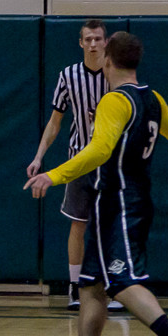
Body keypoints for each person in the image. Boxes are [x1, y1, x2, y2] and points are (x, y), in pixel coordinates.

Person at [25, 31, 168, 336]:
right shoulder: (152, 98)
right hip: (121, 200)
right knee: (91, 285)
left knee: (120, 281)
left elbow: (99, 151)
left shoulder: (114, 100)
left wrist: (54, 175)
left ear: (107, 59)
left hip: (121, 201)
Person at [27, 19, 122, 312]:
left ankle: (112, 285)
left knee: (110, 225)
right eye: (88, 39)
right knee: (78, 224)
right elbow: (55, 122)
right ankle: (75, 286)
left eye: (97, 39)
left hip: (111, 161)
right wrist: (39, 156)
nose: (93, 44)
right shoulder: (68, 76)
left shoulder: (116, 75)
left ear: (106, 43)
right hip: (79, 160)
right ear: (80, 43)